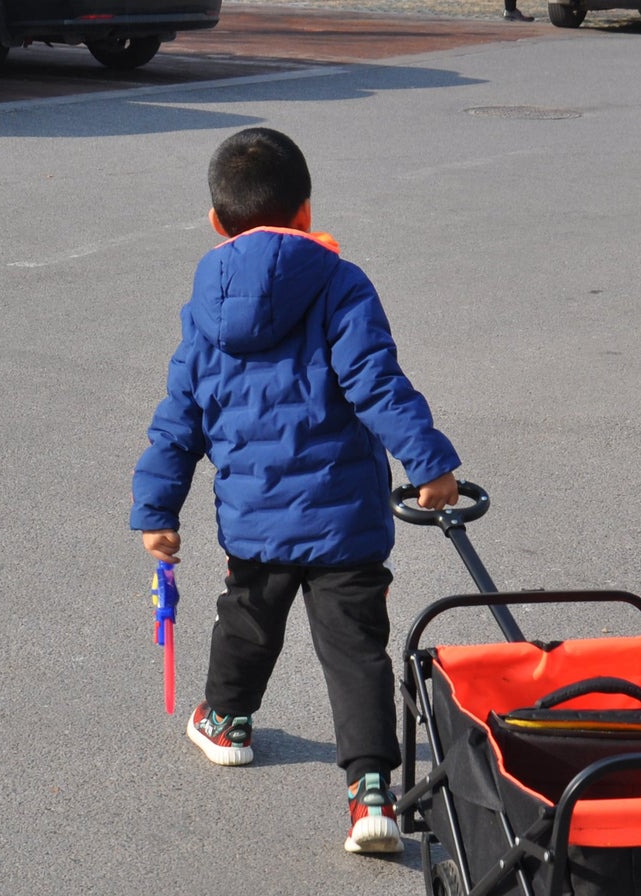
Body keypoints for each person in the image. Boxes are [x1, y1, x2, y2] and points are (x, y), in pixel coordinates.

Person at [130, 127, 461, 856]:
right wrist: (429, 464)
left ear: (218, 223)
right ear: (306, 213)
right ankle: (370, 792)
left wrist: (157, 511)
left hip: (253, 518)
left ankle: (226, 722)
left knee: (246, 620)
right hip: (345, 518)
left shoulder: (205, 306)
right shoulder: (339, 283)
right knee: (354, 649)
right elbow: (376, 382)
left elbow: (178, 414)